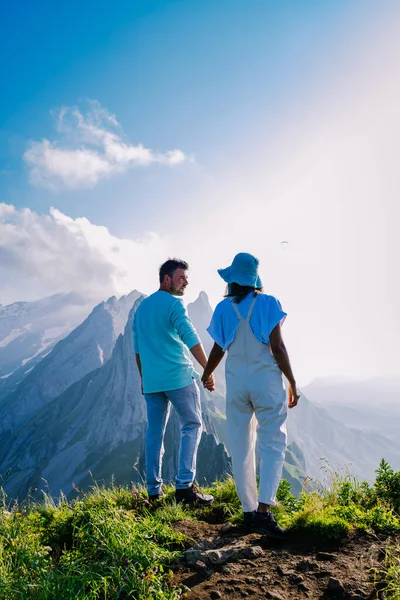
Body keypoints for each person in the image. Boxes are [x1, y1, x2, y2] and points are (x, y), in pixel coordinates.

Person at [201, 252, 299, 537]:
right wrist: (292, 381)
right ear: (255, 278)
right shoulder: (268, 303)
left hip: (236, 385)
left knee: (241, 446)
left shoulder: (223, 309)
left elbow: (218, 348)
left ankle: (248, 511)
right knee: (272, 443)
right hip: (265, 382)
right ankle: (264, 513)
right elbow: (278, 347)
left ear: (232, 280)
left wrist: (207, 373)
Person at [133, 258, 214, 505]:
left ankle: (153, 492)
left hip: (153, 381)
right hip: (178, 377)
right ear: (166, 279)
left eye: (187, 279)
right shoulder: (174, 305)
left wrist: (144, 379)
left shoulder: (142, 309)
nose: (185, 283)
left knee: (154, 434)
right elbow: (190, 336)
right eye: (181, 278)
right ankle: (184, 488)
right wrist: (207, 370)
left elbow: (137, 350)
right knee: (192, 425)